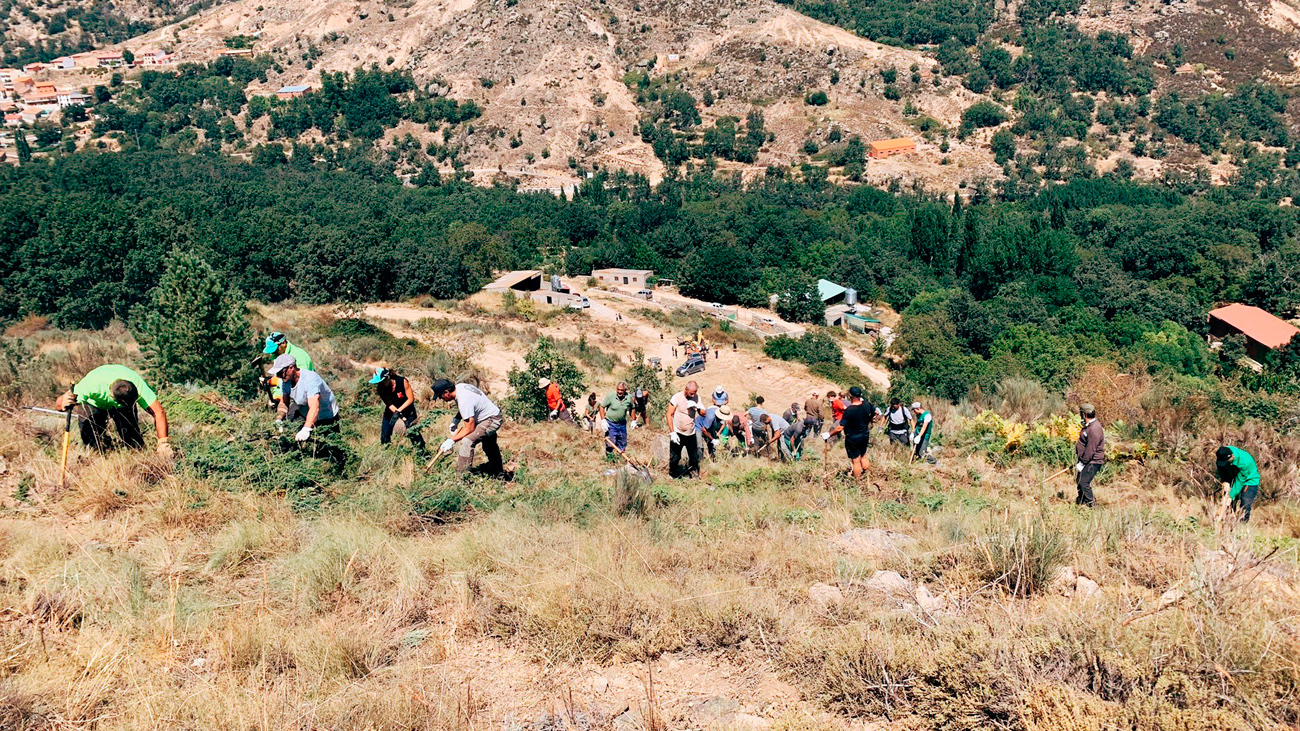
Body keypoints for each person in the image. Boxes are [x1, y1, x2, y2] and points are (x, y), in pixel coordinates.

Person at [56, 364, 171, 456]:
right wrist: (64, 402)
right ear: (112, 397)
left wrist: (163, 442)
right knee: (91, 442)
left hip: (122, 407)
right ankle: (96, 459)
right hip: (94, 403)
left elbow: (158, 412)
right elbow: (58, 405)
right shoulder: (91, 385)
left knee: (134, 441)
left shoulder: (136, 383)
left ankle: (135, 457)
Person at [271, 354, 343, 465]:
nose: (279, 376)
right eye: (277, 373)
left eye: (281, 372)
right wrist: (279, 418)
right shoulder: (286, 382)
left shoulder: (310, 379)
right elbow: (284, 402)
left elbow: (315, 407)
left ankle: (341, 470)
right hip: (305, 411)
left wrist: (306, 429)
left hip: (326, 415)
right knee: (289, 437)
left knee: (331, 448)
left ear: (291, 367)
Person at [433, 379, 504, 475]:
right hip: (487, 416)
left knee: (467, 441)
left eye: (441, 396)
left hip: (492, 419)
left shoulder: (463, 400)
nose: (441, 399)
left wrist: (451, 440)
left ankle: (463, 477)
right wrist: (456, 420)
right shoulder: (460, 387)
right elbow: (468, 407)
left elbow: (469, 428)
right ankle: (499, 473)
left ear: (446, 392)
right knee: (489, 445)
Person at [370, 367, 426, 453]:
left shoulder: (402, 381)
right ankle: (386, 453)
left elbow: (410, 399)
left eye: (381, 382)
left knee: (413, 433)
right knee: (385, 435)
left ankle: (422, 453)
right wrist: (397, 413)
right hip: (391, 411)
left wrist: (401, 414)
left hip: (408, 410)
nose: (380, 384)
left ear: (388, 377)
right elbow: (389, 404)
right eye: (378, 383)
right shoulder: (380, 389)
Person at [828, 387, 875, 480]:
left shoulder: (849, 410)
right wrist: (869, 421)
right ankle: (868, 477)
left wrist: (829, 434)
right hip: (865, 434)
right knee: (863, 456)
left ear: (850, 396)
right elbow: (874, 412)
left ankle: (857, 481)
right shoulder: (867, 404)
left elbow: (840, 427)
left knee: (856, 461)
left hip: (853, 437)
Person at [1216, 446, 1261, 522]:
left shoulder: (1245, 461)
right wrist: (1224, 481)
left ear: (1232, 457)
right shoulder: (1223, 453)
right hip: (1233, 475)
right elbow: (1221, 469)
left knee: (1245, 503)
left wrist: (1230, 496)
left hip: (1249, 480)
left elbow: (1239, 482)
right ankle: (1226, 520)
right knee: (1228, 502)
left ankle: (1242, 524)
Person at [665, 380, 701, 478]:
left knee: (694, 457)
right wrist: (672, 432)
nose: (693, 395)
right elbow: (669, 414)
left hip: (691, 433)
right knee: (675, 457)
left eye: (695, 393)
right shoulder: (677, 397)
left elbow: (703, 413)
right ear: (686, 389)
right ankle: (672, 475)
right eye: (691, 393)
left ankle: (693, 475)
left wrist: (697, 407)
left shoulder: (696, 398)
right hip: (678, 432)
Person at [1074, 403, 1104, 508]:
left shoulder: (1095, 428)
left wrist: (1082, 463)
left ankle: (1092, 504)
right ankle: (1081, 502)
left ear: (1083, 415)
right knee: (1079, 481)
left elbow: (1091, 449)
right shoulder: (1089, 426)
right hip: (1087, 460)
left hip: (1093, 461)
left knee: (1083, 483)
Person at [600, 382, 635, 456]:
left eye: (622, 390)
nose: (619, 392)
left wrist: (633, 420)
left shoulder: (629, 397)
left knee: (622, 443)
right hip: (611, 423)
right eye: (618, 389)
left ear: (625, 390)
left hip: (622, 424)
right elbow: (602, 407)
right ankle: (610, 459)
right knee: (610, 443)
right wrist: (603, 420)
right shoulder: (611, 396)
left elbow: (633, 408)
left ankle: (620, 459)